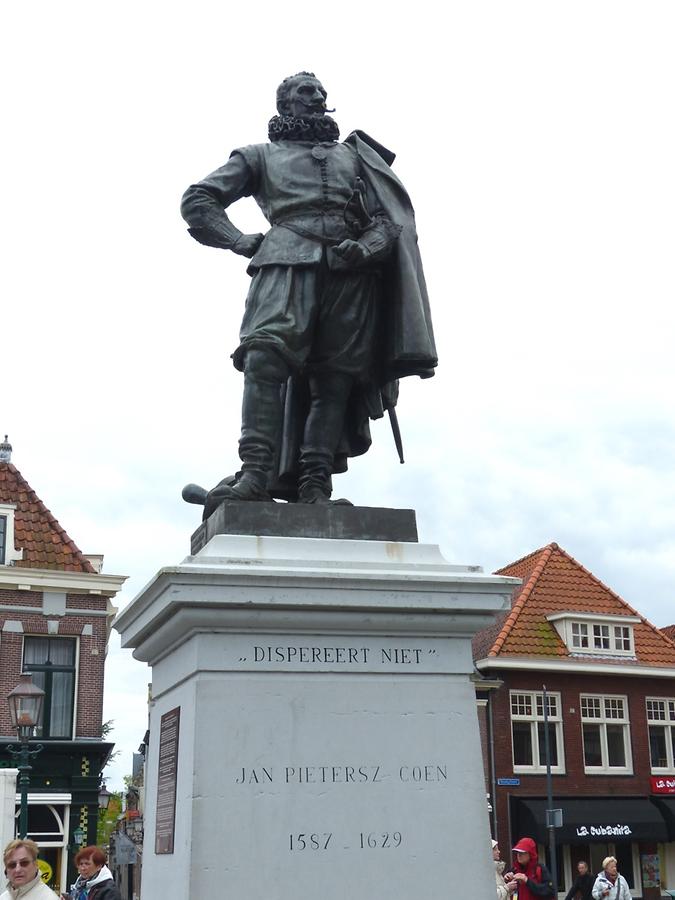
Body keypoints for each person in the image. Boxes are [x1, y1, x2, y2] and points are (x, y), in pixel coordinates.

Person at [181, 72, 437, 514]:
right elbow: (199, 199)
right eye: (305, 92)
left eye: (321, 92)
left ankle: (315, 485)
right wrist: (241, 240)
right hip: (284, 263)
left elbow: (387, 219)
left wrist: (367, 246)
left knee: (335, 379)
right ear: (285, 104)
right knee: (263, 357)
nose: (317, 97)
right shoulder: (258, 156)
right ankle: (255, 475)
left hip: (349, 274)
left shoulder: (357, 158)